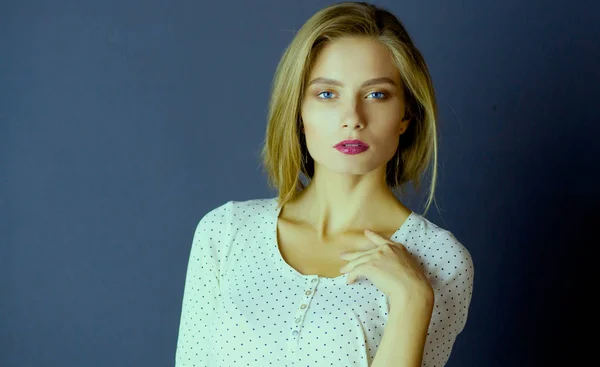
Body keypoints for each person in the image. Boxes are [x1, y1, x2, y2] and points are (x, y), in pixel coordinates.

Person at [175, 2, 474, 366]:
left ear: (405, 116)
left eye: (377, 94)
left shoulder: (440, 261)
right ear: (299, 112)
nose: (352, 118)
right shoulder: (226, 233)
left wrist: (413, 299)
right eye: (327, 94)